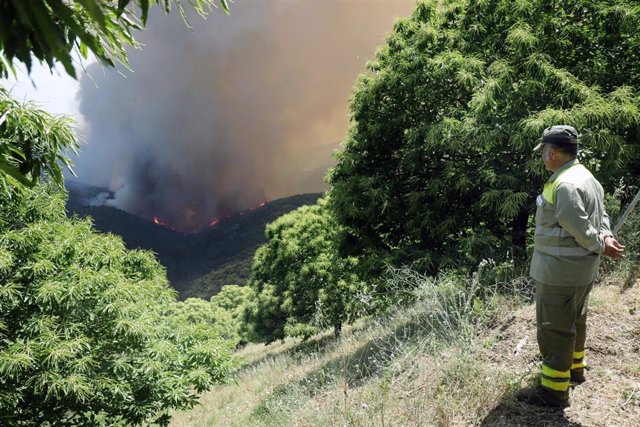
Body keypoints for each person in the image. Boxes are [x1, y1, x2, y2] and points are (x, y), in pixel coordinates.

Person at [517, 125, 625, 408]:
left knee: (554, 328)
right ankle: (575, 370)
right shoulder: (586, 176)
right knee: (576, 319)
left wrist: (602, 244)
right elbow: (600, 217)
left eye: (542, 151)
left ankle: (553, 391)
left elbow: (579, 227)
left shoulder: (565, 184)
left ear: (553, 151)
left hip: (560, 271)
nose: (542, 156)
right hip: (581, 270)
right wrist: (607, 236)